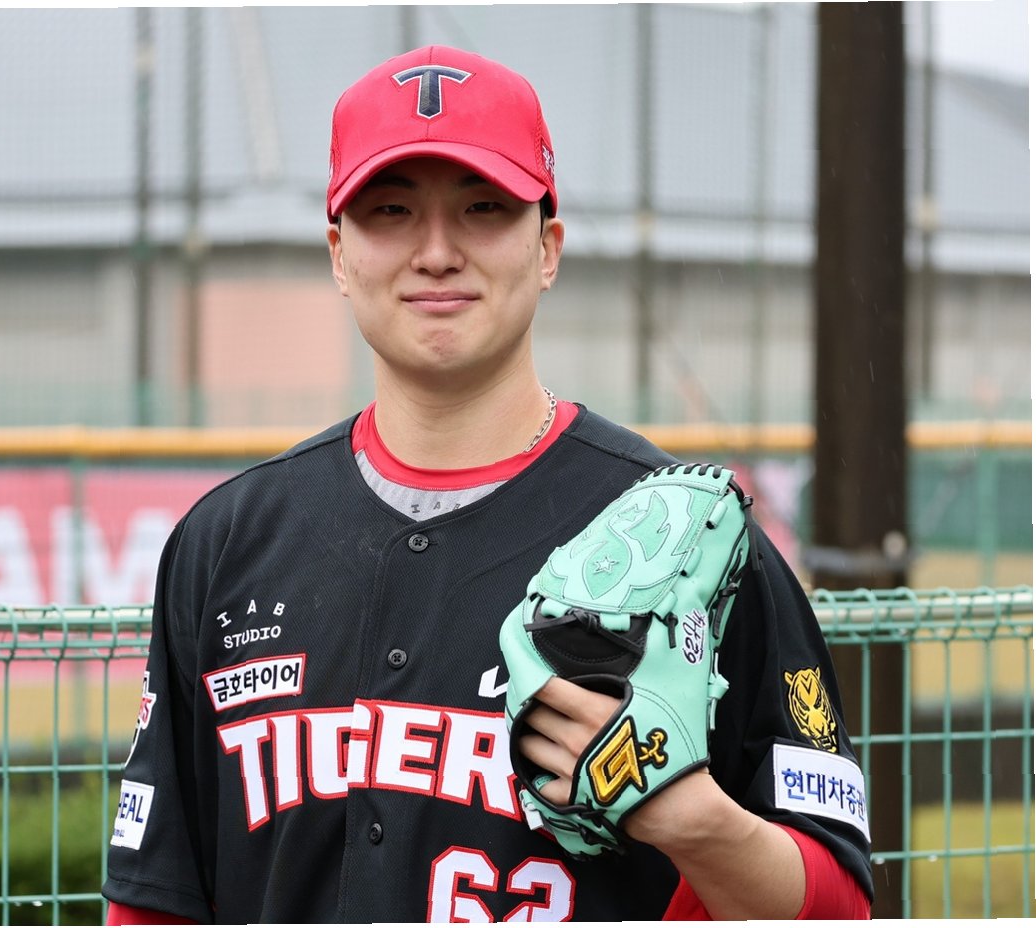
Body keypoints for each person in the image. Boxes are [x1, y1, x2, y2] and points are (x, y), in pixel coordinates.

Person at [102, 45, 873, 923]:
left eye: (484, 208)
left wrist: (695, 822)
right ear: (339, 254)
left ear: (547, 248)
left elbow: (840, 905)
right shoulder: (227, 544)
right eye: (391, 210)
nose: (437, 252)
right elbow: (153, 904)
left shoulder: (686, 539)